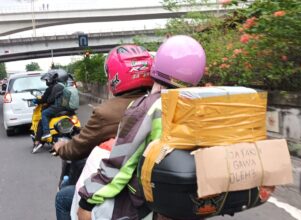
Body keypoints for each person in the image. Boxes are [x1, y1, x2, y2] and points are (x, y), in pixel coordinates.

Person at [77, 35, 206, 220]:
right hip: (190, 201)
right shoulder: (200, 106)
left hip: (148, 203)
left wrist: (86, 201)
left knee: (66, 200)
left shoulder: (148, 107)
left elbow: (121, 163)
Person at [53, 44, 154, 220]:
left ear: (115, 76)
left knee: (63, 197)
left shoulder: (106, 112)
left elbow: (77, 148)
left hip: (127, 191)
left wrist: (61, 147)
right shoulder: (161, 103)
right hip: (153, 190)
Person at [32, 69, 70, 153]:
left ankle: (42, 137)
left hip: (57, 108)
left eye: (46, 80)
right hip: (65, 108)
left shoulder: (53, 87)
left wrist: (37, 101)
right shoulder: (63, 85)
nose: (46, 81)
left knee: (43, 117)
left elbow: (48, 99)